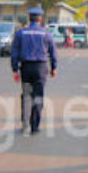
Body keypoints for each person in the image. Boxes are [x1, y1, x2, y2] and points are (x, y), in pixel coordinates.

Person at [11, 8, 58, 136]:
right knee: (38, 96)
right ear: (40, 19)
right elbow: (53, 52)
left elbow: (14, 53)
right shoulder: (46, 34)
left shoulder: (20, 33)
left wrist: (15, 69)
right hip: (40, 68)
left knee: (26, 96)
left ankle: (25, 124)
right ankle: (35, 126)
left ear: (29, 18)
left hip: (25, 68)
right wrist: (54, 67)